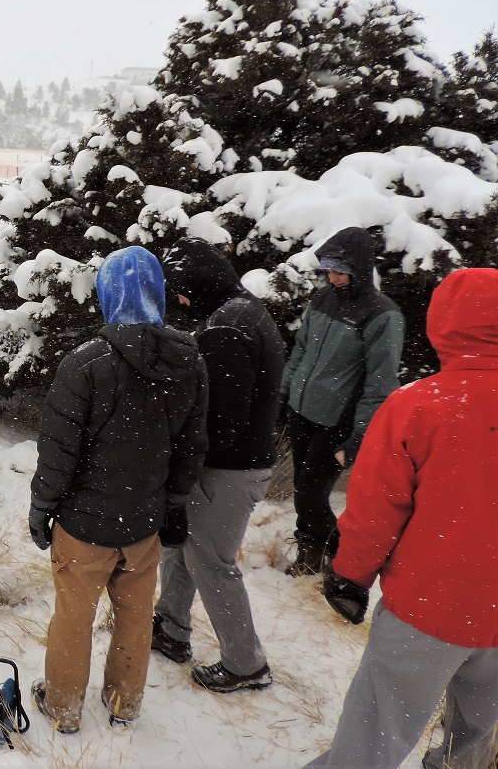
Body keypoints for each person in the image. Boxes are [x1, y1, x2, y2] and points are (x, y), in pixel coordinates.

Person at [304, 267, 498, 769]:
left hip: (431, 606)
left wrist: (349, 575)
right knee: (473, 738)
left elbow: (374, 512)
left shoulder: (418, 406)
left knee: (372, 737)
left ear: (443, 324)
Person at [29, 245, 208, 732]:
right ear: (158, 293)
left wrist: (42, 505)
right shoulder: (188, 361)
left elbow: (58, 451)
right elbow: (192, 445)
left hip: (84, 524)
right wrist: (173, 502)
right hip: (143, 523)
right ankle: (123, 703)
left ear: (108, 293)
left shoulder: (86, 363)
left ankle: (64, 708)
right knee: (134, 613)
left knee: (74, 615)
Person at [151, 237, 286, 694]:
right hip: (238, 464)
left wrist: (186, 462)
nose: (180, 300)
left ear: (198, 282)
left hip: (228, 470)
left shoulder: (226, 329)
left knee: (210, 561)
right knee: (182, 546)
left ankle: (245, 664)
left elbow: (223, 420)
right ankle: (170, 629)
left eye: (181, 289)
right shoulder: (245, 311)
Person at [280, 226, 404, 576]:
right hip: (303, 411)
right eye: (328, 269)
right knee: (304, 491)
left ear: (360, 268)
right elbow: (301, 349)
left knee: (309, 496)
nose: (332, 277)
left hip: (339, 421)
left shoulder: (382, 314)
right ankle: (310, 557)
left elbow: (381, 382)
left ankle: (348, 563)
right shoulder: (323, 298)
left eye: (340, 270)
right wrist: (284, 393)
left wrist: (359, 434)